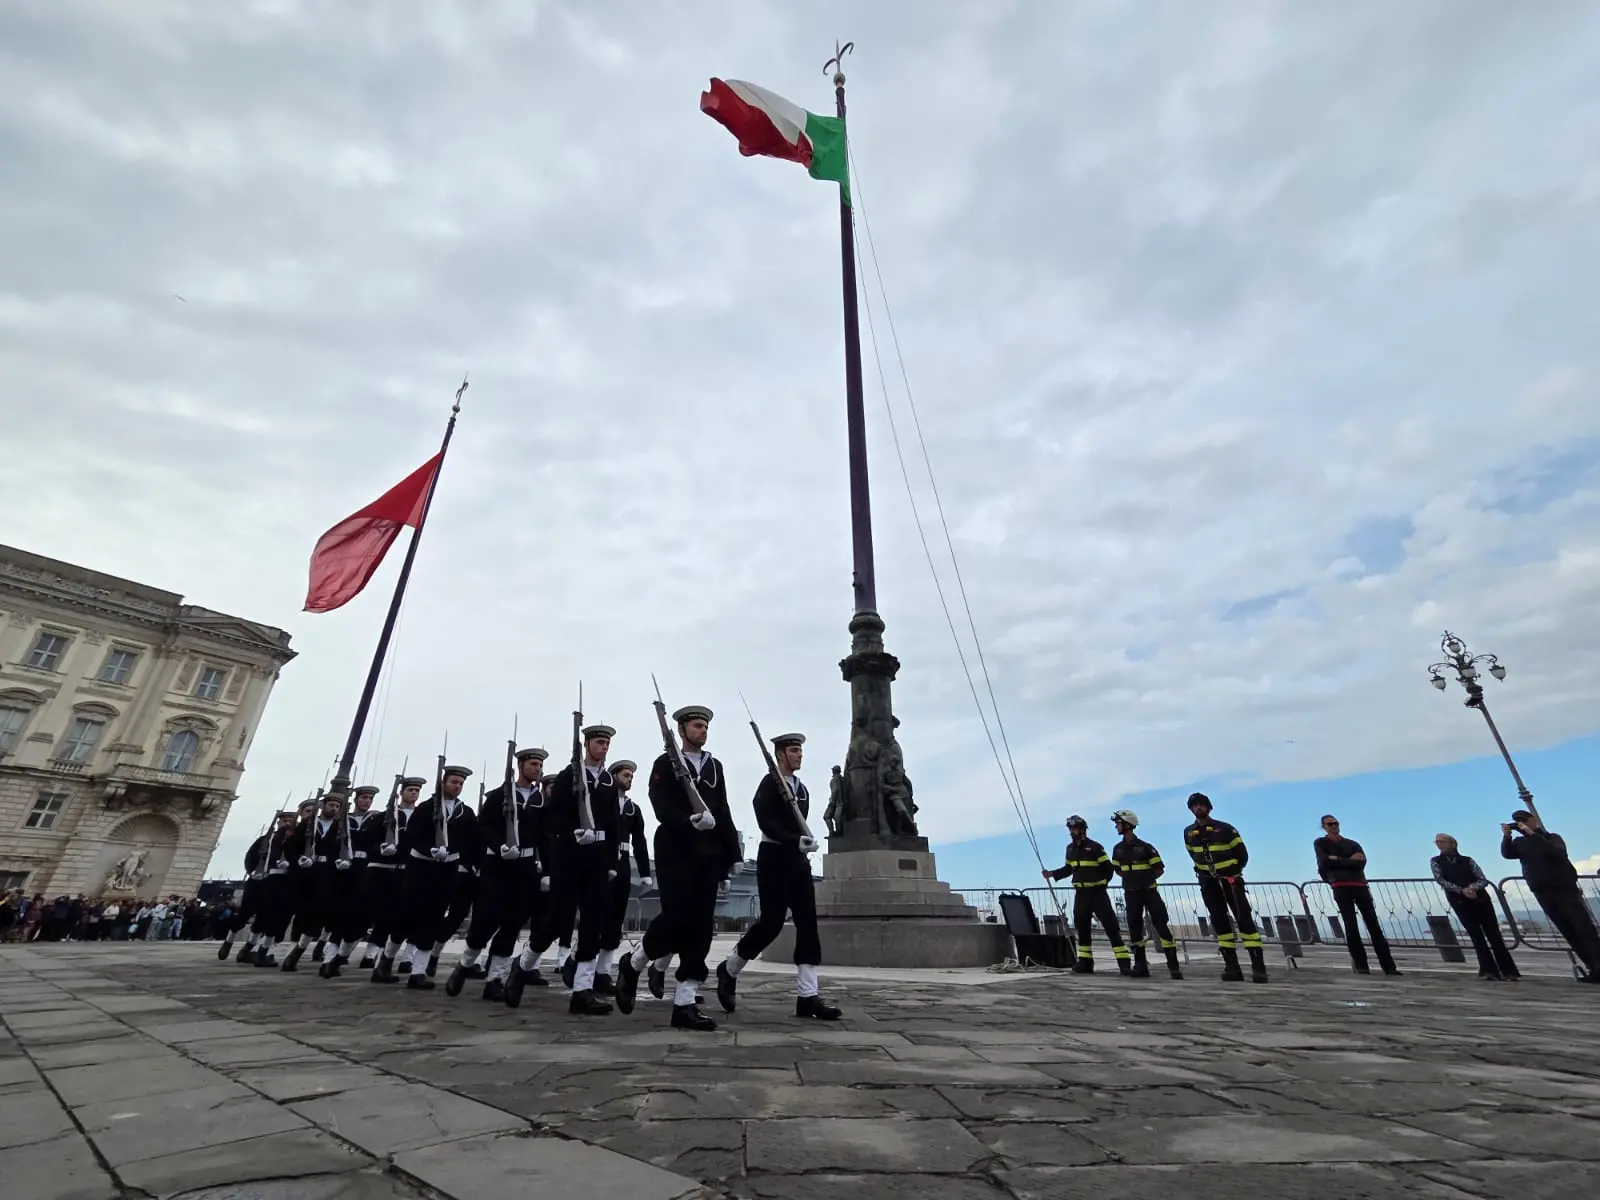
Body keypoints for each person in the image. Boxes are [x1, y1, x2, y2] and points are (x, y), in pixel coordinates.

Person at [618, 704, 741, 1030]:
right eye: (697, 726)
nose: (703, 731)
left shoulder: (714, 766)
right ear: (682, 730)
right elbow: (660, 804)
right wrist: (688, 820)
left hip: (709, 853)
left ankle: (684, 1002)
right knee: (676, 918)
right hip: (676, 849)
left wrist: (733, 856)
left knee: (701, 927)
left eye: (705, 726)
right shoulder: (665, 763)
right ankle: (634, 964)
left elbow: (724, 809)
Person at [715, 732, 841, 1018]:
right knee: (771, 923)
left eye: (800, 751)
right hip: (773, 857)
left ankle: (808, 995)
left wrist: (802, 843)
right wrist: (792, 840)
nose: (799, 755)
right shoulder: (770, 783)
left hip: (797, 860)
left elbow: (799, 822)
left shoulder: (803, 790)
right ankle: (730, 967)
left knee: (808, 922)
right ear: (781, 754)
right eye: (794, 751)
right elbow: (765, 820)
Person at [450, 748, 548, 1001]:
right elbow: (481, 827)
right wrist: (498, 845)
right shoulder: (498, 796)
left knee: (512, 924)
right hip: (498, 866)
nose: (538, 769)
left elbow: (545, 837)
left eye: (540, 765)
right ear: (521, 765)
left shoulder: (540, 801)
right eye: (534, 764)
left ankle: (495, 979)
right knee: (485, 922)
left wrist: (545, 868)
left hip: (525, 868)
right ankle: (465, 964)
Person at [372, 765, 482, 989]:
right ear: (443, 783)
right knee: (406, 916)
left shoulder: (466, 812)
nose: (457, 786)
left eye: (460, 783)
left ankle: (418, 972)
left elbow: (473, 842)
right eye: (453, 782)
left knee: (432, 920)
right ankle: (386, 960)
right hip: (421, 867)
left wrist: (473, 864)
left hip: (447, 870)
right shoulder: (426, 808)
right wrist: (428, 848)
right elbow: (412, 836)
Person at [544, 725, 625, 1015]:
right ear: (586, 744)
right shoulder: (569, 776)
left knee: (594, 922)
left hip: (597, 860)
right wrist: (572, 832)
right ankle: (523, 964)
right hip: (569, 857)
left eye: (607, 743)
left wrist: (613, 863)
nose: (604, 748)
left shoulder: (606, 781)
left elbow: (614, 824)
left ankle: (582, 989)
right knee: (557, 920)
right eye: (599, 742)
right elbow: (553, 818)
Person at [1501, 810, 1600, 983]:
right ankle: (1592, 967)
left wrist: (1532, 834)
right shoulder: (1520, 843)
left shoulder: (1551, 837)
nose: (1521, 824)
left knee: (1584, 928)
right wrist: (1507, 837)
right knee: (1568, 931)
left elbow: (1558, 853)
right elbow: (1507, 854)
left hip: (1564, 888)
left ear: (1533, 821)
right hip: (1541, 890)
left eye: (1524, 820)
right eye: (1518, 822)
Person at [1182, 792, 1267, 983]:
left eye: (1201, 805)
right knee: (1220, 922)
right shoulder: (1188, 832)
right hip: (1208, 881)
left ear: (1209, 807)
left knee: (1243, 919)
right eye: (1194, 806)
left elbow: (1242, 855)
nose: (1198, 808)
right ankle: (1232, 967)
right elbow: (1192, 854)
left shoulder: (1226, 829)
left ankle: (1258, 968)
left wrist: (1232, 872)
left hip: (1231, 880)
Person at [1044, 814, 1131, 975]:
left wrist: (1102, 884)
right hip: (1081, 894)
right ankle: (1085, 963)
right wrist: (1052, 874)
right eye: (1070, 829)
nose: (1072, 831)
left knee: (1111, 927)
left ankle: (1124, 963)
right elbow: (1068, 869)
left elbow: (1108, 869)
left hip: (1097, 894)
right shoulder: (1070, 849)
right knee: (1082, 929)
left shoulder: (1095, 847)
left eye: (1075, 828)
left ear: (1083, 829)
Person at [1313, 815, 1400, 976]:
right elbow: (1324, 862)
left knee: (1374, 925)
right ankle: (1361, 966)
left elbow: (1361, 862)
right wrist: (1346, 860)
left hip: (1359, 884)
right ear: (1324, 826)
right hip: (1340, 886)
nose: (1334, 826)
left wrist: (1337, 860)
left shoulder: (1352, 844)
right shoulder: (1320, 843)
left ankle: (1389, 966)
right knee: (1350, 925)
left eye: (1336, 823)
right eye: (1330, 824)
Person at [596, 759, 652, 997]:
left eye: (631, 776)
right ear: (614, 775)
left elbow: (639, 842)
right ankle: (581, 966)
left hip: (622, 862)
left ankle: (602, 972)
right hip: (600, 860)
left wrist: (645, 873)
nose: (629, 779)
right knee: (598, 915)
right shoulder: (600, 801)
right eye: (625, 775)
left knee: (615, 918)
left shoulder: (632, 808)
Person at [1430, 834, 1519, 981]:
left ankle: (1508, 970)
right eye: (1437, 842)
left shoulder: (1468, 860)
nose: (1439, 844)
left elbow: (1482, 878)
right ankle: (1488, 970)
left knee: (1494, 935)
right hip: (1459, 900)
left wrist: (1472, 888)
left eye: (1442, 841)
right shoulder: (1436, 861)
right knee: (1476, 935)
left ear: (1452, 843)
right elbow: (1440, 880)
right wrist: (1461, 890)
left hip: (1480, 899)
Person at [1108, 810, 1182, 979]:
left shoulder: (1146, 847)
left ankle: (1173, 966)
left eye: (1118, 823)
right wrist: (1131, 880)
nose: (1116, 826)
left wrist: (1145, 880)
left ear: (1127, 824)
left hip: (1149, 892)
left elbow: (1159, 868)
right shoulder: (1117, 849)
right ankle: (1140, 966)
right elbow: (1118, 869)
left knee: (1161, 925)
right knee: (1135, 929)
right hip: (1131, 894)